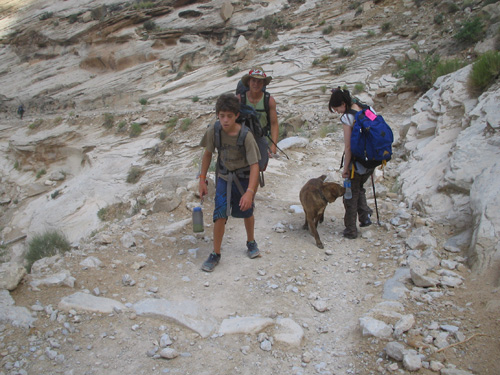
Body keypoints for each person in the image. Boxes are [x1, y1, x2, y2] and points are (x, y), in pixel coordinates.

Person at [198, 93, 261, 272]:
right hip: (224, 177)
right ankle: (215, 253)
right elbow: (208, 154)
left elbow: (255, 165)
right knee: (220, 213)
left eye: (229, 116)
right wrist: (202, 180)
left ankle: (251, 242)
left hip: (244, 178)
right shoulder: (214, 131)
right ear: (217, 114)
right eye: (222, 115)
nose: (225, 120)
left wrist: (250, 192)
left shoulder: (246, 136)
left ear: (237, 116)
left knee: (247, 210)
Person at [328, 87, 374, 239]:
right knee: (359, 188)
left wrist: (346, 167)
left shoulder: (348, 117)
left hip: (358, 162)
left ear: (343, 104)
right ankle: (365, 217)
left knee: (350, 196)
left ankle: (350, 230)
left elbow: (348, 147)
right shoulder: (366, 108)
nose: (338, 112)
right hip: (372, 158)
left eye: (336, 109)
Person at [238, 67, 279, 156]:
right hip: (243, 139)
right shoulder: (240, 99)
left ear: (263, 83)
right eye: (253, 81)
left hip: (261, 138)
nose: (256, 84)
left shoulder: (269, 101)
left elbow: (274, 124)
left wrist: (274, 145)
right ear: (248, 82)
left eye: (259, 81)